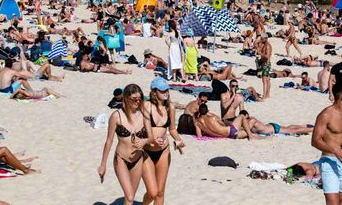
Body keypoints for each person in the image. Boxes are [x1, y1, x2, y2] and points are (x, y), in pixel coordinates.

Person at [98, 84, 155, 205]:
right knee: (129, 196)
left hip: (138, 160)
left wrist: (144, 141)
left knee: (130, 197)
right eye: (134, 99)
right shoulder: (116, 116)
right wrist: (103, 165)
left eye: (140, 99)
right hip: (121, 159)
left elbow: (151, 138)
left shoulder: (144, 115)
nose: (137, 101)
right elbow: (109, 141)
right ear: (126, 98)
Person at [311, 85, 342, 205]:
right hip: (329, 161)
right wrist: (334, 150)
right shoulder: (326, 114)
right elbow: (315, 140)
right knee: (333, 202)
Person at [142, 77, 185, 205]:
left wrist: (179, 140)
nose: (166, 92)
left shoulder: (170, 107)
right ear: (154, 92)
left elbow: (172, 129)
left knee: (160, 192)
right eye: (162, 91)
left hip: (163, 151)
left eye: (167, 90)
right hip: (147, 152)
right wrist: (151, 140)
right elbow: (141, 128)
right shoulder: (146, 105)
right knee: (152, 192)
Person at [194, 104, 258, 140]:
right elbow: (223, 124)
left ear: (199, 112)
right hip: (231, 131)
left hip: (228, 136)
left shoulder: (197, 123)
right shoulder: (213, 117)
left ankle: (252, 135)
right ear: (207, 110)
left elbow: (199, 136)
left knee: (249, 133)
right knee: (242, 116)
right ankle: (250, 136)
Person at [241, 110, 313, 135]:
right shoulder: (248, 121)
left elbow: (247, 129)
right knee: (287, 128)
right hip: (270, 126)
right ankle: (303, 126)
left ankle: (313, 129)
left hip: (274, 129)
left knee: (293, 131)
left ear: (247, 115)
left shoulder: (251, 120)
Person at [256, 33, 272, 99]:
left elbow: (267, 56)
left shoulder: (267, 46)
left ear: (266, 38)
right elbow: (256, 43)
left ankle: (265, 96)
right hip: (265, 64)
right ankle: (267, 95)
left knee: (264, 80)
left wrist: (260, 53)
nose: (261, 40)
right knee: (267, 80)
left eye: (262, 39)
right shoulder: (264, 45)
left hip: (266, 64)